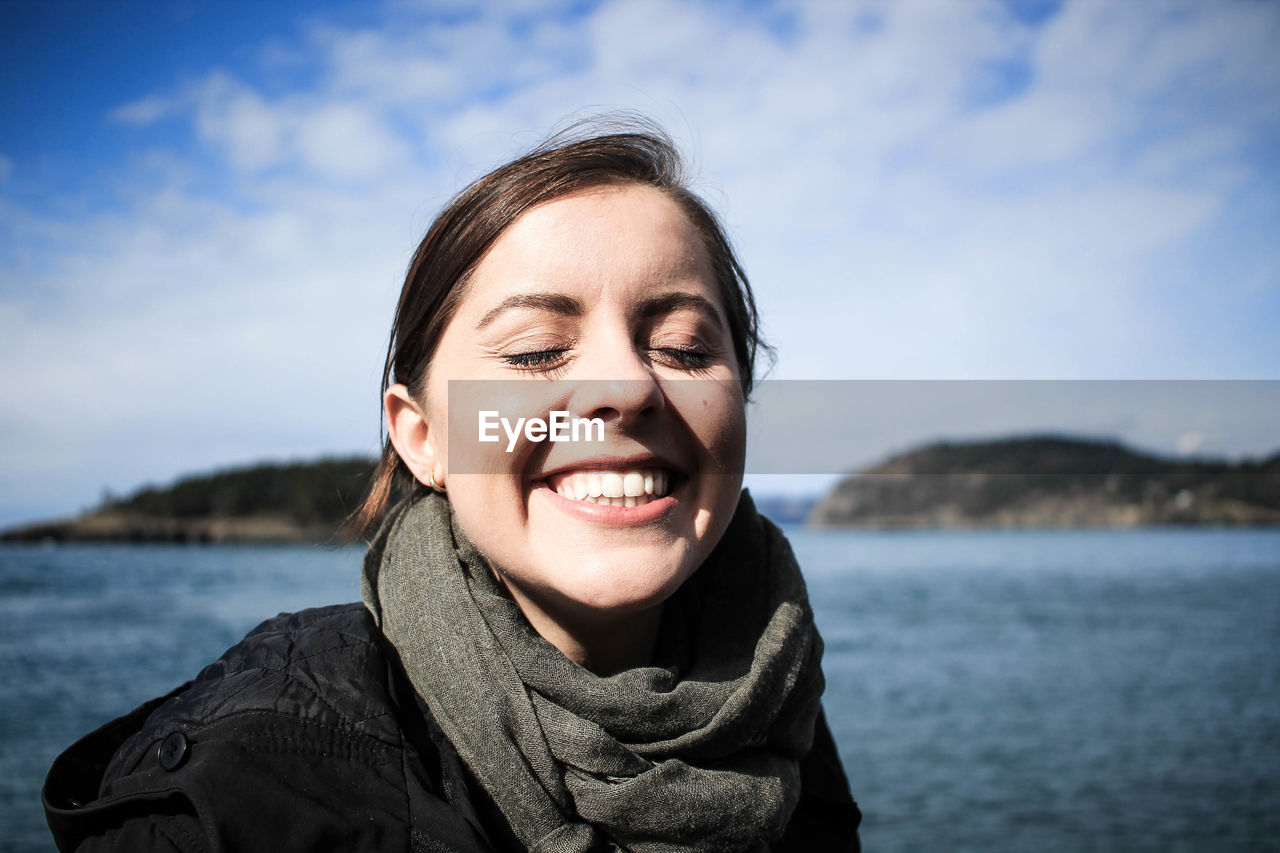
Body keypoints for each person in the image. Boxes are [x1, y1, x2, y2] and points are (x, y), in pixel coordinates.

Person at [43, 119, 861, 851]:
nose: (628, 387)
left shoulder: (771, 702)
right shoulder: (244, 786)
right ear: (423, 437)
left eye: (683, 348)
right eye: (537, 349)